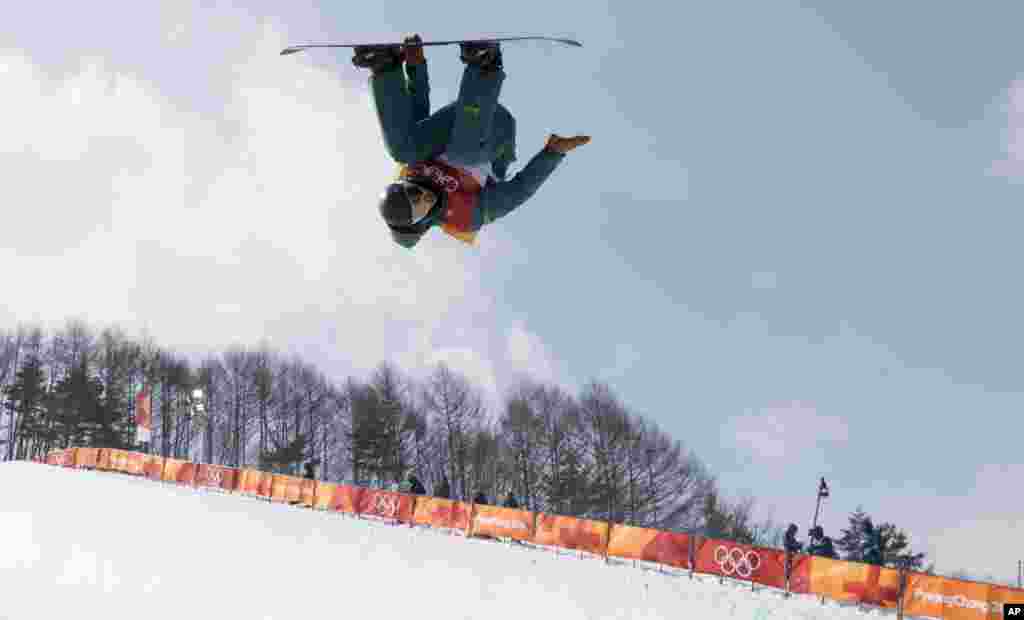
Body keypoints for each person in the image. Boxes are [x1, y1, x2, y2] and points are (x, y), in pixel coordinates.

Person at [352, 35, 591, 248]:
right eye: (418, 203)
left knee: (403, 151)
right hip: (494, 133)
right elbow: (520, 190)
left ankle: (384, 65)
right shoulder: (466, 215)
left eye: (410, 191)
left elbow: (414, 123)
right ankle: (485, 65)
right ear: (422, 221)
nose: (421, 193)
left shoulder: (412, 173)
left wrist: (415, 67)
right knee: (462, 156)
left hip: (459, 115)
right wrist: (553, 152)